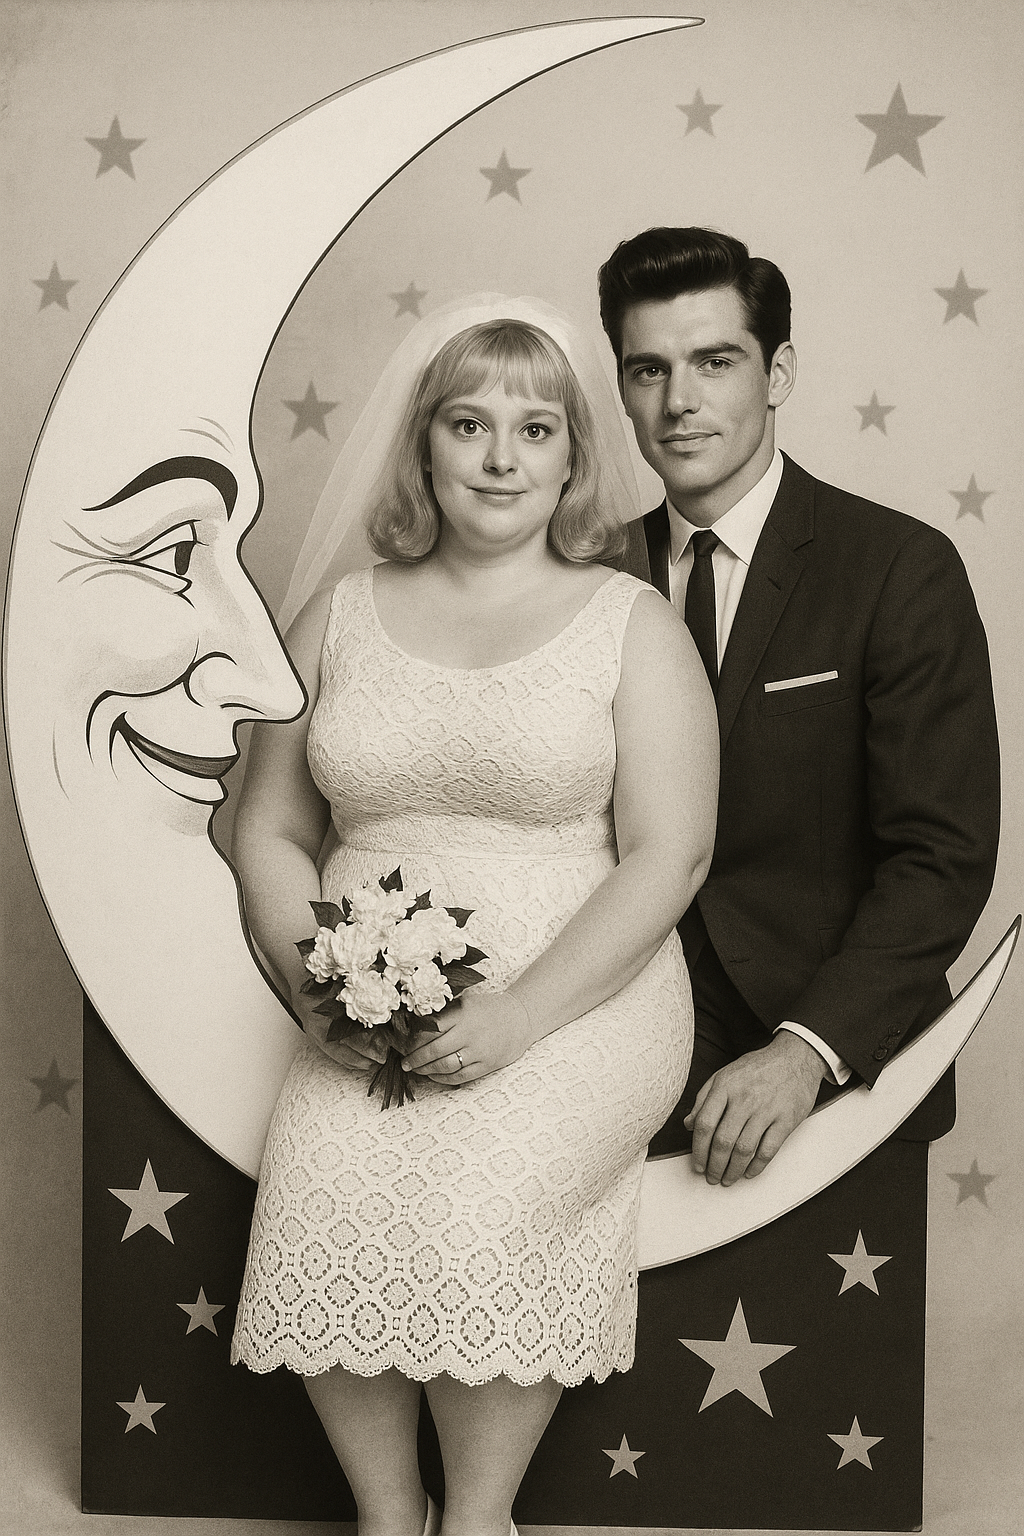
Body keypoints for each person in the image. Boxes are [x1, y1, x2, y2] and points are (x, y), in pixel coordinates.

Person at [230, 306, 718, 1536]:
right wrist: (317, 990)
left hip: (579, 997)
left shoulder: (631, 623)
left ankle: (479, 1518)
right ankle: (389, 1518)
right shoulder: (336, 616)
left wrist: (519, 1016)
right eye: (469, 425)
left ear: (569, 459)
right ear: (424, 450)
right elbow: (271, 832)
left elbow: (673, 853)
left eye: (534, 429)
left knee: (477, 1205)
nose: (500, 458)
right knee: (320, 1179)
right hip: (365, 1000)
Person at [599, 225, 1000, 1183]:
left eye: (715, 361)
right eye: (647, 369)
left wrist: (804, 1052)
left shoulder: (897, 569)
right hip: (605, 1082)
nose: (680, 401)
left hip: (839, 1087)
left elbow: (940, 857)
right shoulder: (584, 574)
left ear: (777, 373)